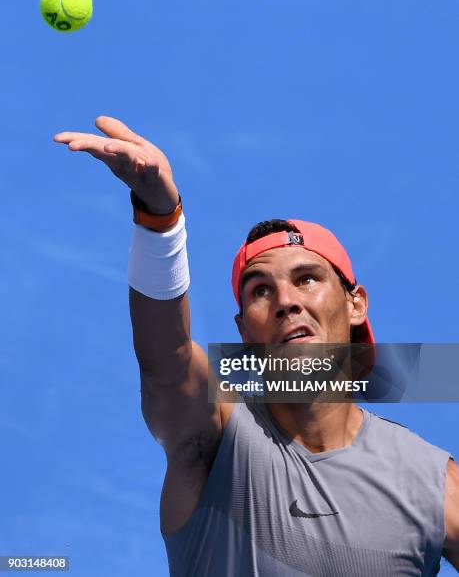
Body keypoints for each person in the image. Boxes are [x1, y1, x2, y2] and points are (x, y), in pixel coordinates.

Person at [54, 117, 459, 576]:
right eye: (260, 291)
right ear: (244, 331)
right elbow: (168, 362)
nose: (286, 301)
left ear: (355, 304)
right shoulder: (215, 433)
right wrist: (159, 220)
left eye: (307, 279)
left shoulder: (429, 482)